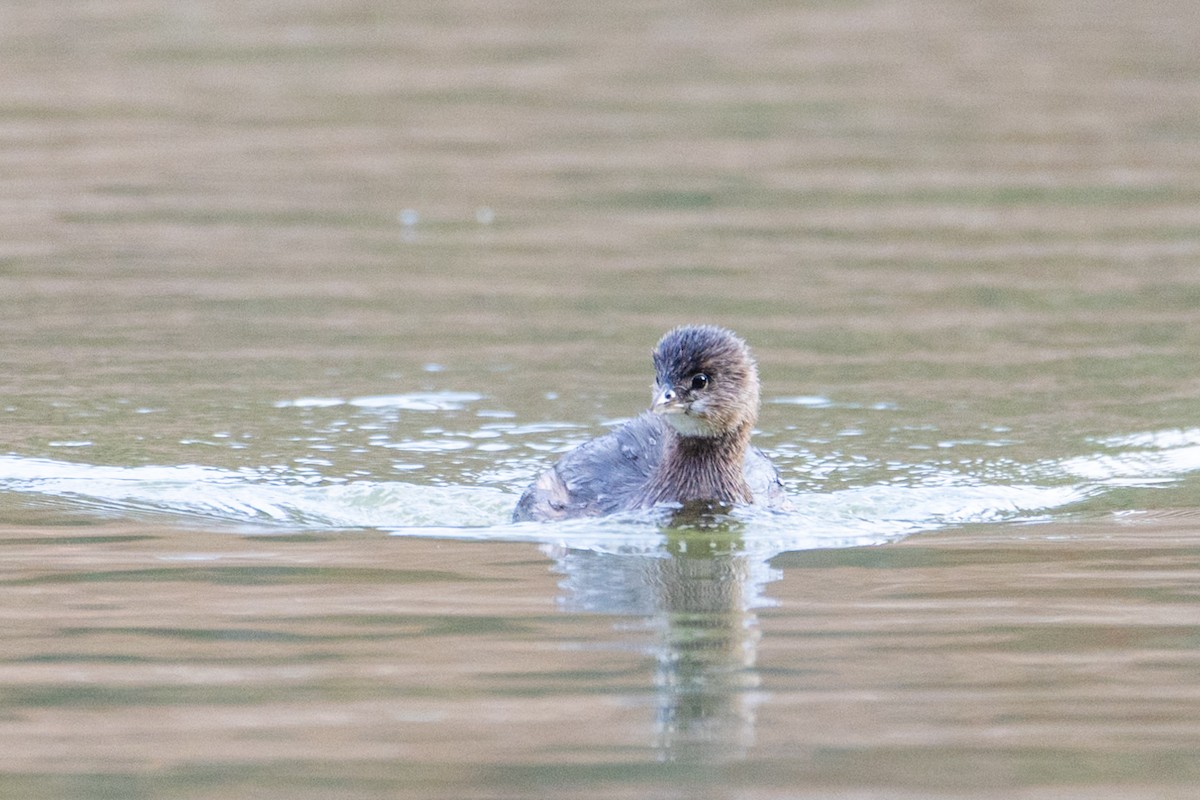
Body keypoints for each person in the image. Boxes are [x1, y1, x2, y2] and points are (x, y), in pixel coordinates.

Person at [513, 325, 788, 521]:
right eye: (661, 382)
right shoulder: (576, 495)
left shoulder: (766, 492)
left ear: (743, 387)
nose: (664, 396)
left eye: (699, 383)